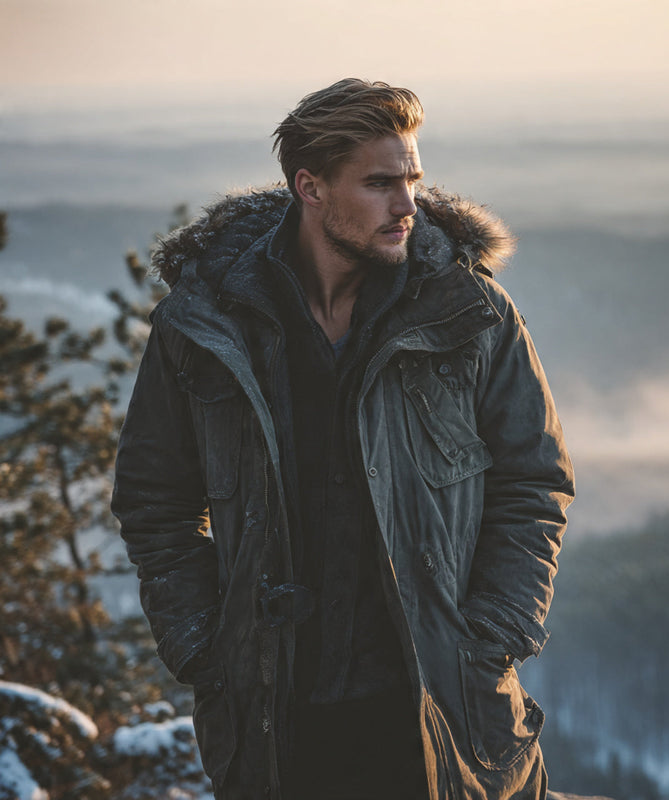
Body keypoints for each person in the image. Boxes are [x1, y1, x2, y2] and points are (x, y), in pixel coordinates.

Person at [112, 78, 574, 800]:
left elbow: (535, 483)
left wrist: (492, 637)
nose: (408, 204)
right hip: (277, 721)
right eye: (380, 183)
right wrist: (205, 646)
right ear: (311, 187)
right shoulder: (204, 326)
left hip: (442, 711)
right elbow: (154, 502)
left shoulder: (471, 314)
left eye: (412, 179)